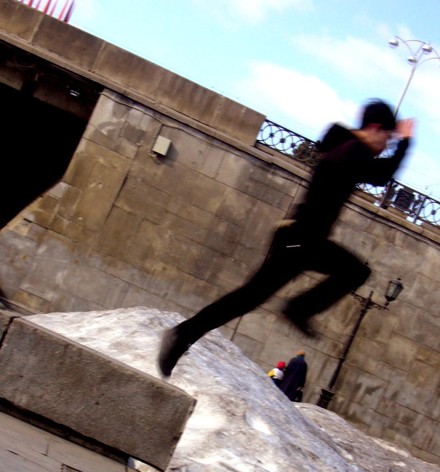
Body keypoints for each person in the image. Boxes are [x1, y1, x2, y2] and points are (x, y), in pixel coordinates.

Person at [158, 99, 414, 377]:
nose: (385, 147)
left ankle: (184, 334)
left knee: (248, 298)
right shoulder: (351, 150)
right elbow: (381, 175)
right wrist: (405, 143)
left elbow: (375, 172)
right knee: (353, 272)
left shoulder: (347, 149)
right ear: (374, 128)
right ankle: (297, 309)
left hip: (301, 238)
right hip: (302, 238)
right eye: (386, 139)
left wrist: (397, 143)